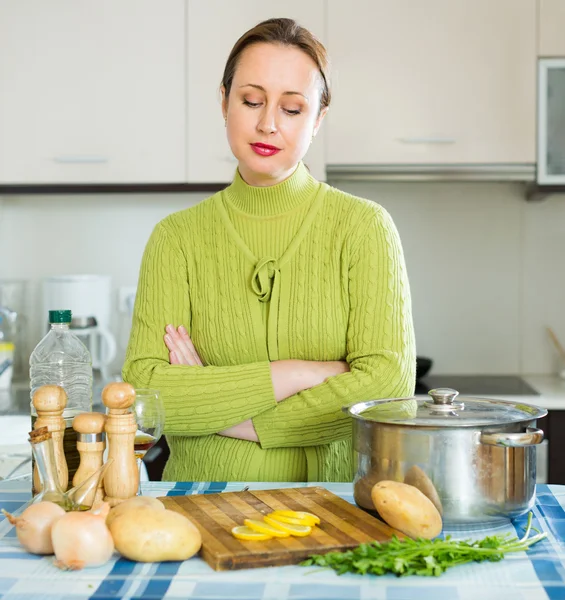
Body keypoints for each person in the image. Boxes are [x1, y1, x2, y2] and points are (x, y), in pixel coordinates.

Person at [122, 18, 416, 483]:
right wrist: (299, 373)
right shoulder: (175, 238)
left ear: (318, 118)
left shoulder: (363, 227)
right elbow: (145, 395)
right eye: (251, 100)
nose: (267, 123)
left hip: (331, 506)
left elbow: (387, 388)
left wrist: (227, 411)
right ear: (224, 102)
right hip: (199, 504)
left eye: (292, 109)